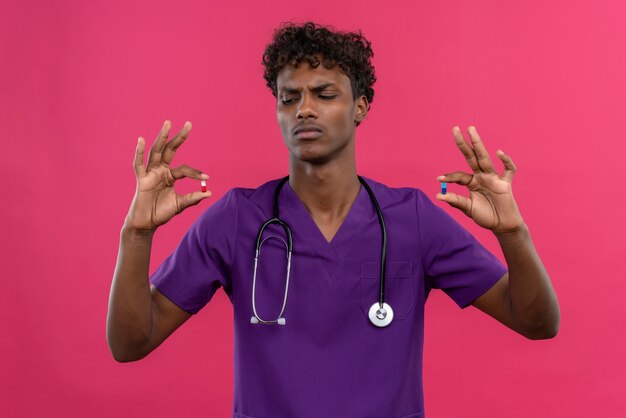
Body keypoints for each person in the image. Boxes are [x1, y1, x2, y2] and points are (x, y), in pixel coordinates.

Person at [107, 22, 560, 418]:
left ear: (360, 106)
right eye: (290, 98)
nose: (304, 109)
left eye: (324, 94)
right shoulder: (237, 220)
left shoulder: (412, 219)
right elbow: (130, 344)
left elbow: (538, 323)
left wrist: (513, 233)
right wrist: (137, 234)